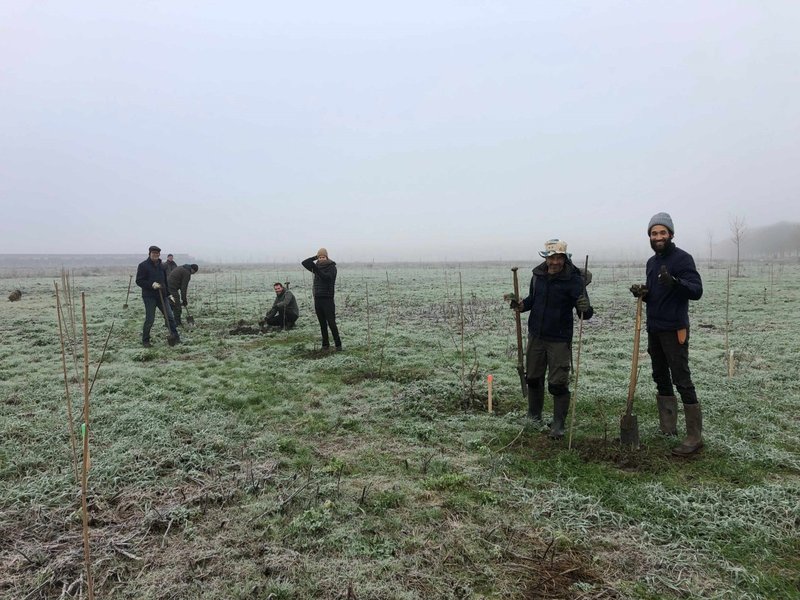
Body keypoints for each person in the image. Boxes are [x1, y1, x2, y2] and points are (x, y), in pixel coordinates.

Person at [630, 213, 704, 456]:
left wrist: (675, 282)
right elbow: (656, 294)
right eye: (654, 233)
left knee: (681, 377)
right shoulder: (652, 262)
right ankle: (668, 427)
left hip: (675, 329)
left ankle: (694, 436)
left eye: (662, 233)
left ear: (671, 234)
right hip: (655, 328)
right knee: (660, 376)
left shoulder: (683, 259)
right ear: (649, 237)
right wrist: (643, 292)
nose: (658, 237)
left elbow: (696, 290)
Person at [511, 239, 593, 438]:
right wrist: (522, 305)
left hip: (559, 339)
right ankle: (534, 416)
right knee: (532, 377)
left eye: (559, 257)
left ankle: (558, 424)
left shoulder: (573, 280)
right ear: (546, 258)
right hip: (536, 336)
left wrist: (585, 308)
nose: (555, 262)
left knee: (557, 383)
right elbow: (533, 299)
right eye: (551, 257)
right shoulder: (537, 276)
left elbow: (586, 313)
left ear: (565, 258)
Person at [135, 245, 179, 347]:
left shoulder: (162, 265)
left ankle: (175, 337)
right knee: (150, 319)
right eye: (153, 253)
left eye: (157, 253)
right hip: (149, 296)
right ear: (149, 254)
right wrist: (151, 284)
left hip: (162, 296)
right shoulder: (143, 265)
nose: (156, 255)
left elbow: (165, 281)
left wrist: (169, 294)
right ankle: (145, 341)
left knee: (170, 317)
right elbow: (139, 281)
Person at [302, 248, 341, 351]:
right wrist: (314, 258)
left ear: (327, 257)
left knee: (331, 323)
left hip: (327, 299)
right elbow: (304, 262)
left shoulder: (332, 267)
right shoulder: (317, 266)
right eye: (319, 257)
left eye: (323, 257)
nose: (321, 259)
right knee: (322, 324)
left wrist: (316, 269)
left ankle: (338, 345)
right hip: (318, 298)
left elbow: (327, 278)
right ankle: (325, 345)